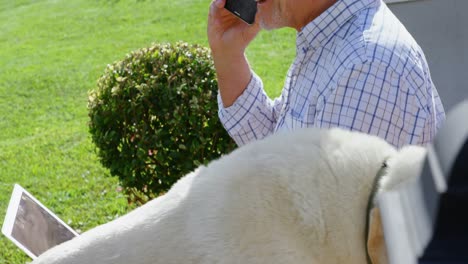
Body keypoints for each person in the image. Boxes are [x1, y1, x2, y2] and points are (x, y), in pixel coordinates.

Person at [207, 0, 445, 148]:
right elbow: (273, 150)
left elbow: (320, 224)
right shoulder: (333, 43)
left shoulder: (366, 66)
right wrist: (228, 55)